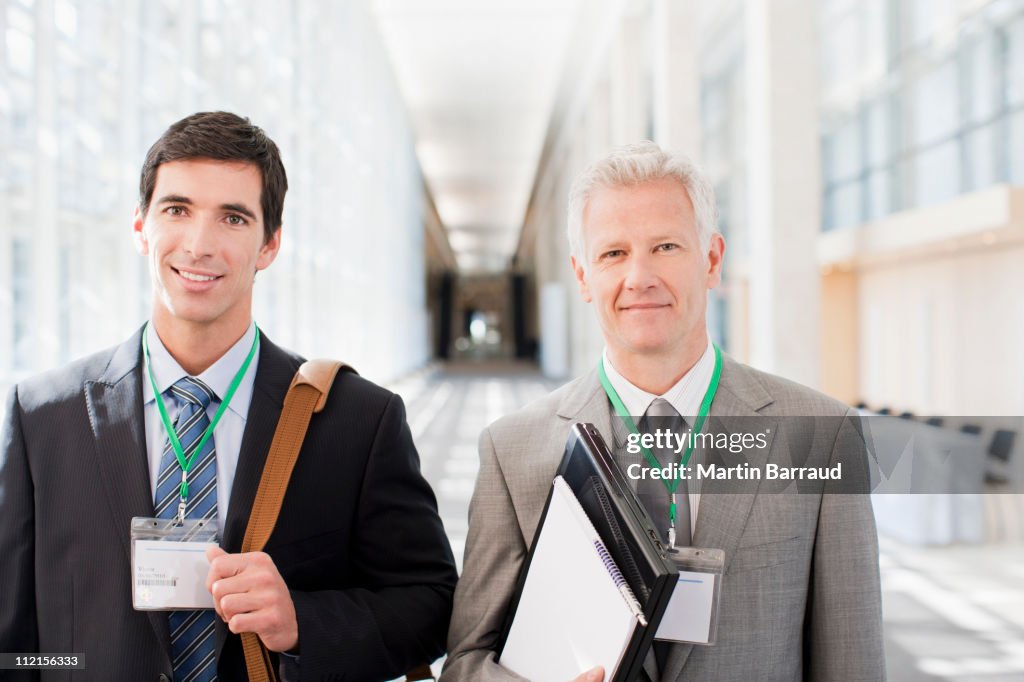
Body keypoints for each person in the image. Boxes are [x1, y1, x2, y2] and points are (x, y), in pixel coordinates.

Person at [0, 111, 457, 682]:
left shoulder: (356, 420)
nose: (199, 244)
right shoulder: (44, 417)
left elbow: (432, 603)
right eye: (177, 210)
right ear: (141, 227)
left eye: (233, 218)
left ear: (269, 245)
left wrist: (303, 621)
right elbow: (13, 647)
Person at [442, 141, 884, 681]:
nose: (639, 277)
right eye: (613, 254)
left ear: (712, 259)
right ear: (583, 277)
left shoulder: (823, 435)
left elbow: (853, 659)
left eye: (667, 246)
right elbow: (465, 662)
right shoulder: (512, 452)